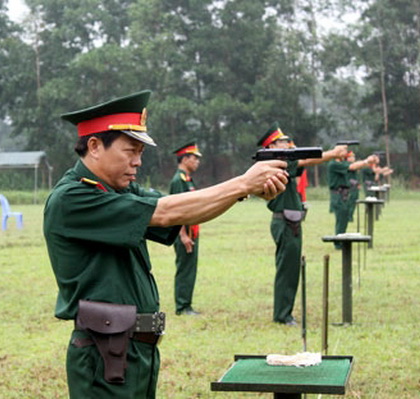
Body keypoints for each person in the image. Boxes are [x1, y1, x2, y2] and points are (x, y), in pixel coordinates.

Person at [44, 90, 288, 398]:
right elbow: (167, 212)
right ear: (94, 146)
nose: (137, 162)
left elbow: (181, 209)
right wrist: (242, 183)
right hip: (104, 354)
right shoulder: (73, 197)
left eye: (140, 153)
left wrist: (244, 192)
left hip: (133, 350)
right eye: (130, 151)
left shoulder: (117, 190)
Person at [257, 122, 348, 325]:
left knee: (290, 269)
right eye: (282, 142)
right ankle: (282, 315)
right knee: (286, 270)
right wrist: (333, 153)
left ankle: (284, 312)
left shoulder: (280, 162)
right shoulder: (276, 162)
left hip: (290, 222)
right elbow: (306, 160)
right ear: (271, 147)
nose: (287, 144)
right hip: (286, 222)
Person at [169, 141, 202, 316]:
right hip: (184, 233)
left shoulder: (188, 179)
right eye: (194, 158)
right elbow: (177, 210)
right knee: (184, 269)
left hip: (192, 231)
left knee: (190, 268)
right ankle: (182, 307)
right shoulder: (178, 180)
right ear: (185, 159)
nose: (197, 161)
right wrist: (183, 236)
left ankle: (187, 304)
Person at [328, 149, 378, 248]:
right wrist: (367, 161)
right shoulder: (334, 164)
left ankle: (341, 239)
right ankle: (338, 242)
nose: (345, 154)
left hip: (343, 194)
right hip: (338, 194)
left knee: (344, 217)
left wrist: (366, 162)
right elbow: (353, 166)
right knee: (341, 218)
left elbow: (355, 165)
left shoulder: (341, 164)